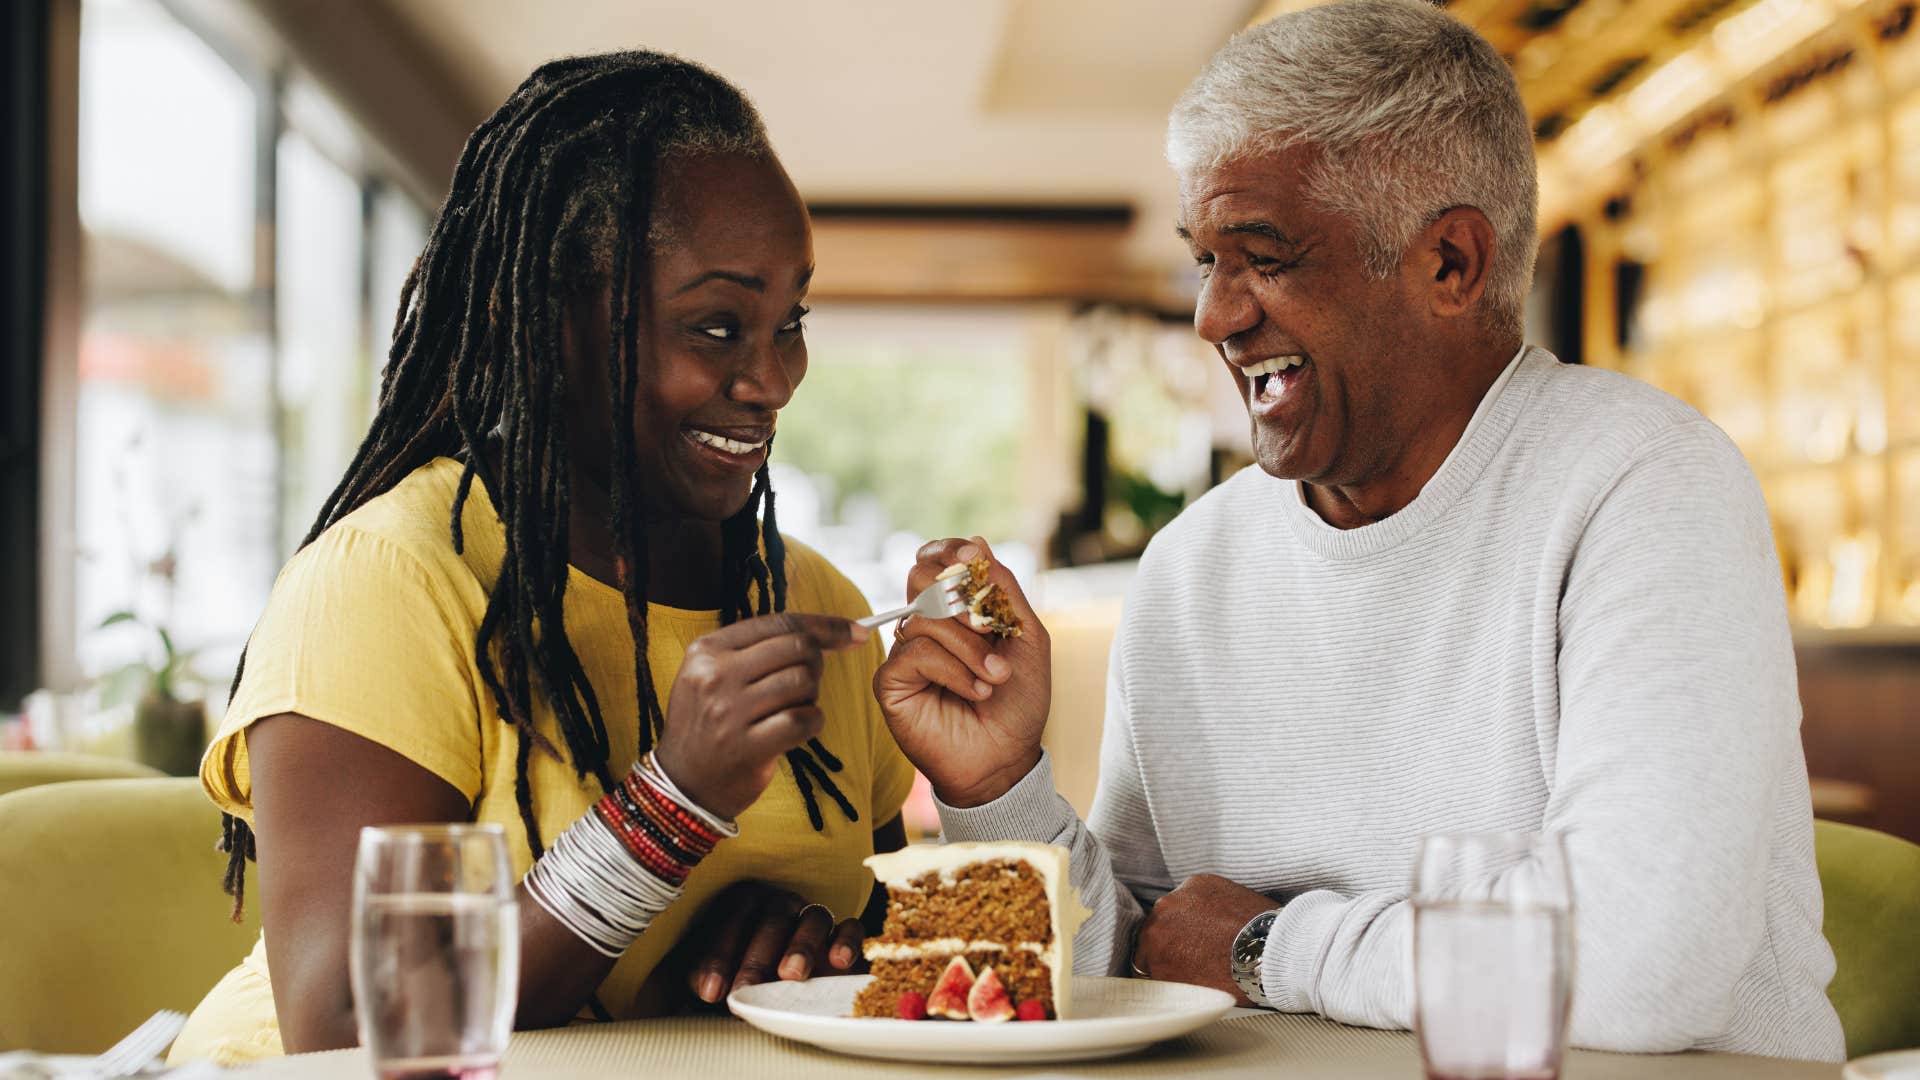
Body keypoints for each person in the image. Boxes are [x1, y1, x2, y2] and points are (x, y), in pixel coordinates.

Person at [873, 0, 1844, 1062]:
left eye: (1265, 257)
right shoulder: (1192, 569)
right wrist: (995, 791)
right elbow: (1140, 958)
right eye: (1206, 260)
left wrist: (1266, 949)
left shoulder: (1643, 486)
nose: (1214, 315)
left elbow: (1634, 970)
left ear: (1451, 266)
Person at [170, 53, 915, 1065]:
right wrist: (673, 806)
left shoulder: (816, 604)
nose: (773, 378)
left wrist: (812, 950)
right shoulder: (394, 580)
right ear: (556, 321)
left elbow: (893, 952)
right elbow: (349, 1028)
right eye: (716, 326)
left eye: (789, 323)